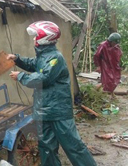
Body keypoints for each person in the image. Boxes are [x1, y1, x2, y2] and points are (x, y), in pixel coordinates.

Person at [7, 21, 96, 166]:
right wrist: (17, 59)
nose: (34, 38)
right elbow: (33, 63)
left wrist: (21, 76)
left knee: (73, 146)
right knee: (46, 148)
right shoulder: (44, 56)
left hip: (58, 112)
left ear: (44, 37)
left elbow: (44, 78)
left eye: (36, 35)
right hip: (44, 111)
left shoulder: (55, 58)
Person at [93, 33, 122, 99]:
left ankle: (111, 92)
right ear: (111, 41)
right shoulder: (103, 45)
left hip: (114, 65)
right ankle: (106, 94)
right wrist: (98, 66)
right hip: (105, 65)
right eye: (114, 43)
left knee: (116, 78)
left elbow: (119, 54)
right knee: (107, 80)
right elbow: (97, 56)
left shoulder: (116, 46)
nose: (115, 44)